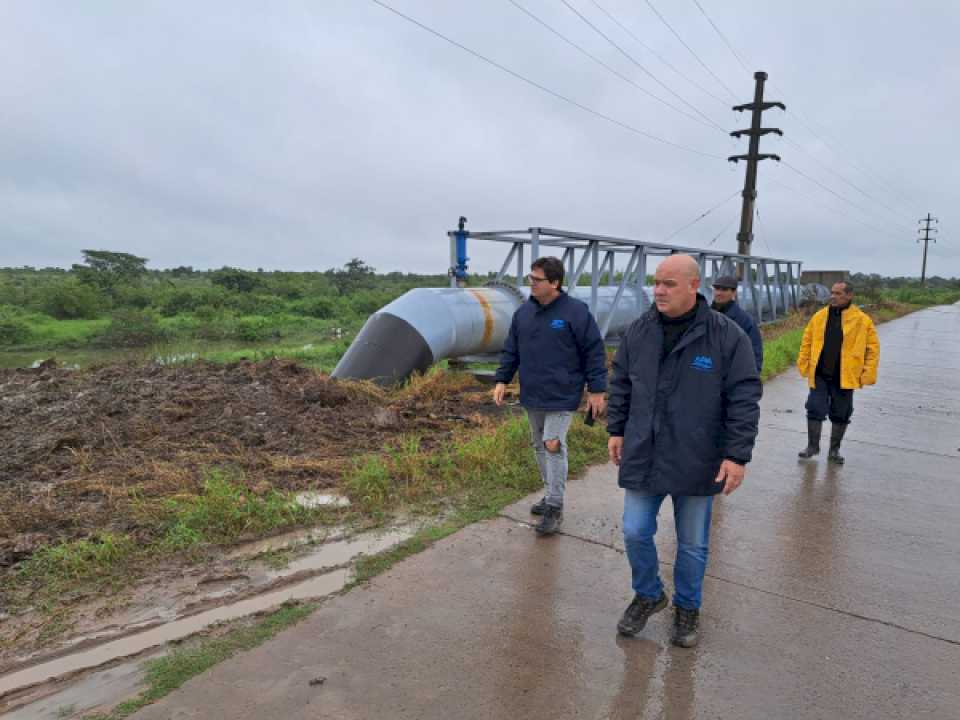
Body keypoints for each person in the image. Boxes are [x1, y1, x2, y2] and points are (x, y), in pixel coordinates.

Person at [607, 255, 761, 647]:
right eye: (657, 282)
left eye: (669, 284)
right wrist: (617, 429)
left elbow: (743, 396)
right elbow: (622, 381)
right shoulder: (640, 331)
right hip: (645, 449)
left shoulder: (726, 336)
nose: (658, 290)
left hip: (698, 456)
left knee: (692, 544)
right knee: (635, 530)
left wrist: (736, 455)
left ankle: (688, 608)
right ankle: (649, 593)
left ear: (694, 287)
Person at [493, 257, 607, 535]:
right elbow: (512, 350)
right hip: (533, 391)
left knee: (552, 443)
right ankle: (549, 493)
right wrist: (502, 379)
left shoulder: (575, 312)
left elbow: (593, 351)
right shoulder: (523, 314)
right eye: (530, 278)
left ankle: (555, 506)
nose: (531, 283)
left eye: (537, 279)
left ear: (554, 283)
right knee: (538, 445)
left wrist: (597, 389)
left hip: (563, 392)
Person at [796, 281, 879, 464]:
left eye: (838, 293)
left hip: (845, 375)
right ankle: (812, 446)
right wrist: (803, 362)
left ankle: (834, 451)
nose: (833, 296)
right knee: (814, 408)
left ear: (850, 296)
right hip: (820, 374)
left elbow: (872, 349)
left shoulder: (862, 320)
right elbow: (807, 340)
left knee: (841, 413)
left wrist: (867, 373)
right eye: (832, 293)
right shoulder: (819, 316)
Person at [710, 275, 764, 373]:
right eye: (717, 288)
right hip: (706, 377)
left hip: (730, 377)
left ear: (734, 292)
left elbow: (755, 354)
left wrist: (751, 380)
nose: (719, 293)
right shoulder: (705, 316)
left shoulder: (745, 320)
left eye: (724, 289)